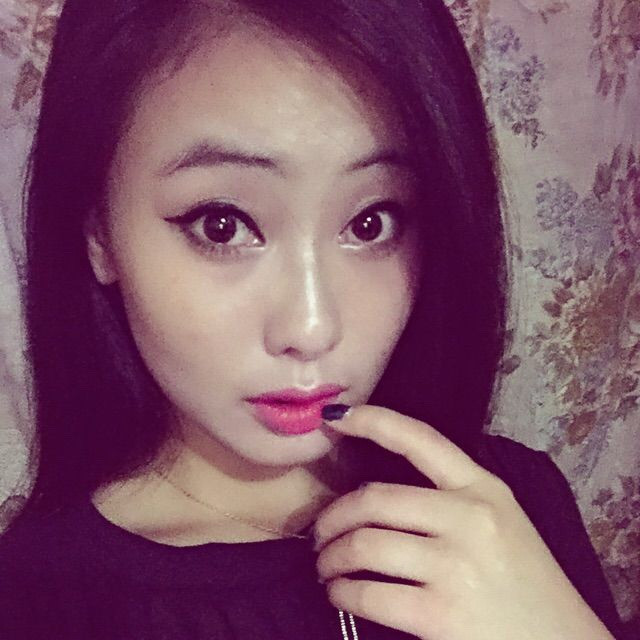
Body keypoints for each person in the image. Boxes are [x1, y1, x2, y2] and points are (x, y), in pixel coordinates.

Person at [0, 0, 629, 638]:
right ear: (99, 233)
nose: (311, 328)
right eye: (222, 225)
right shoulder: (35, 599)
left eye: (371, 222)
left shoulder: (507, 503)